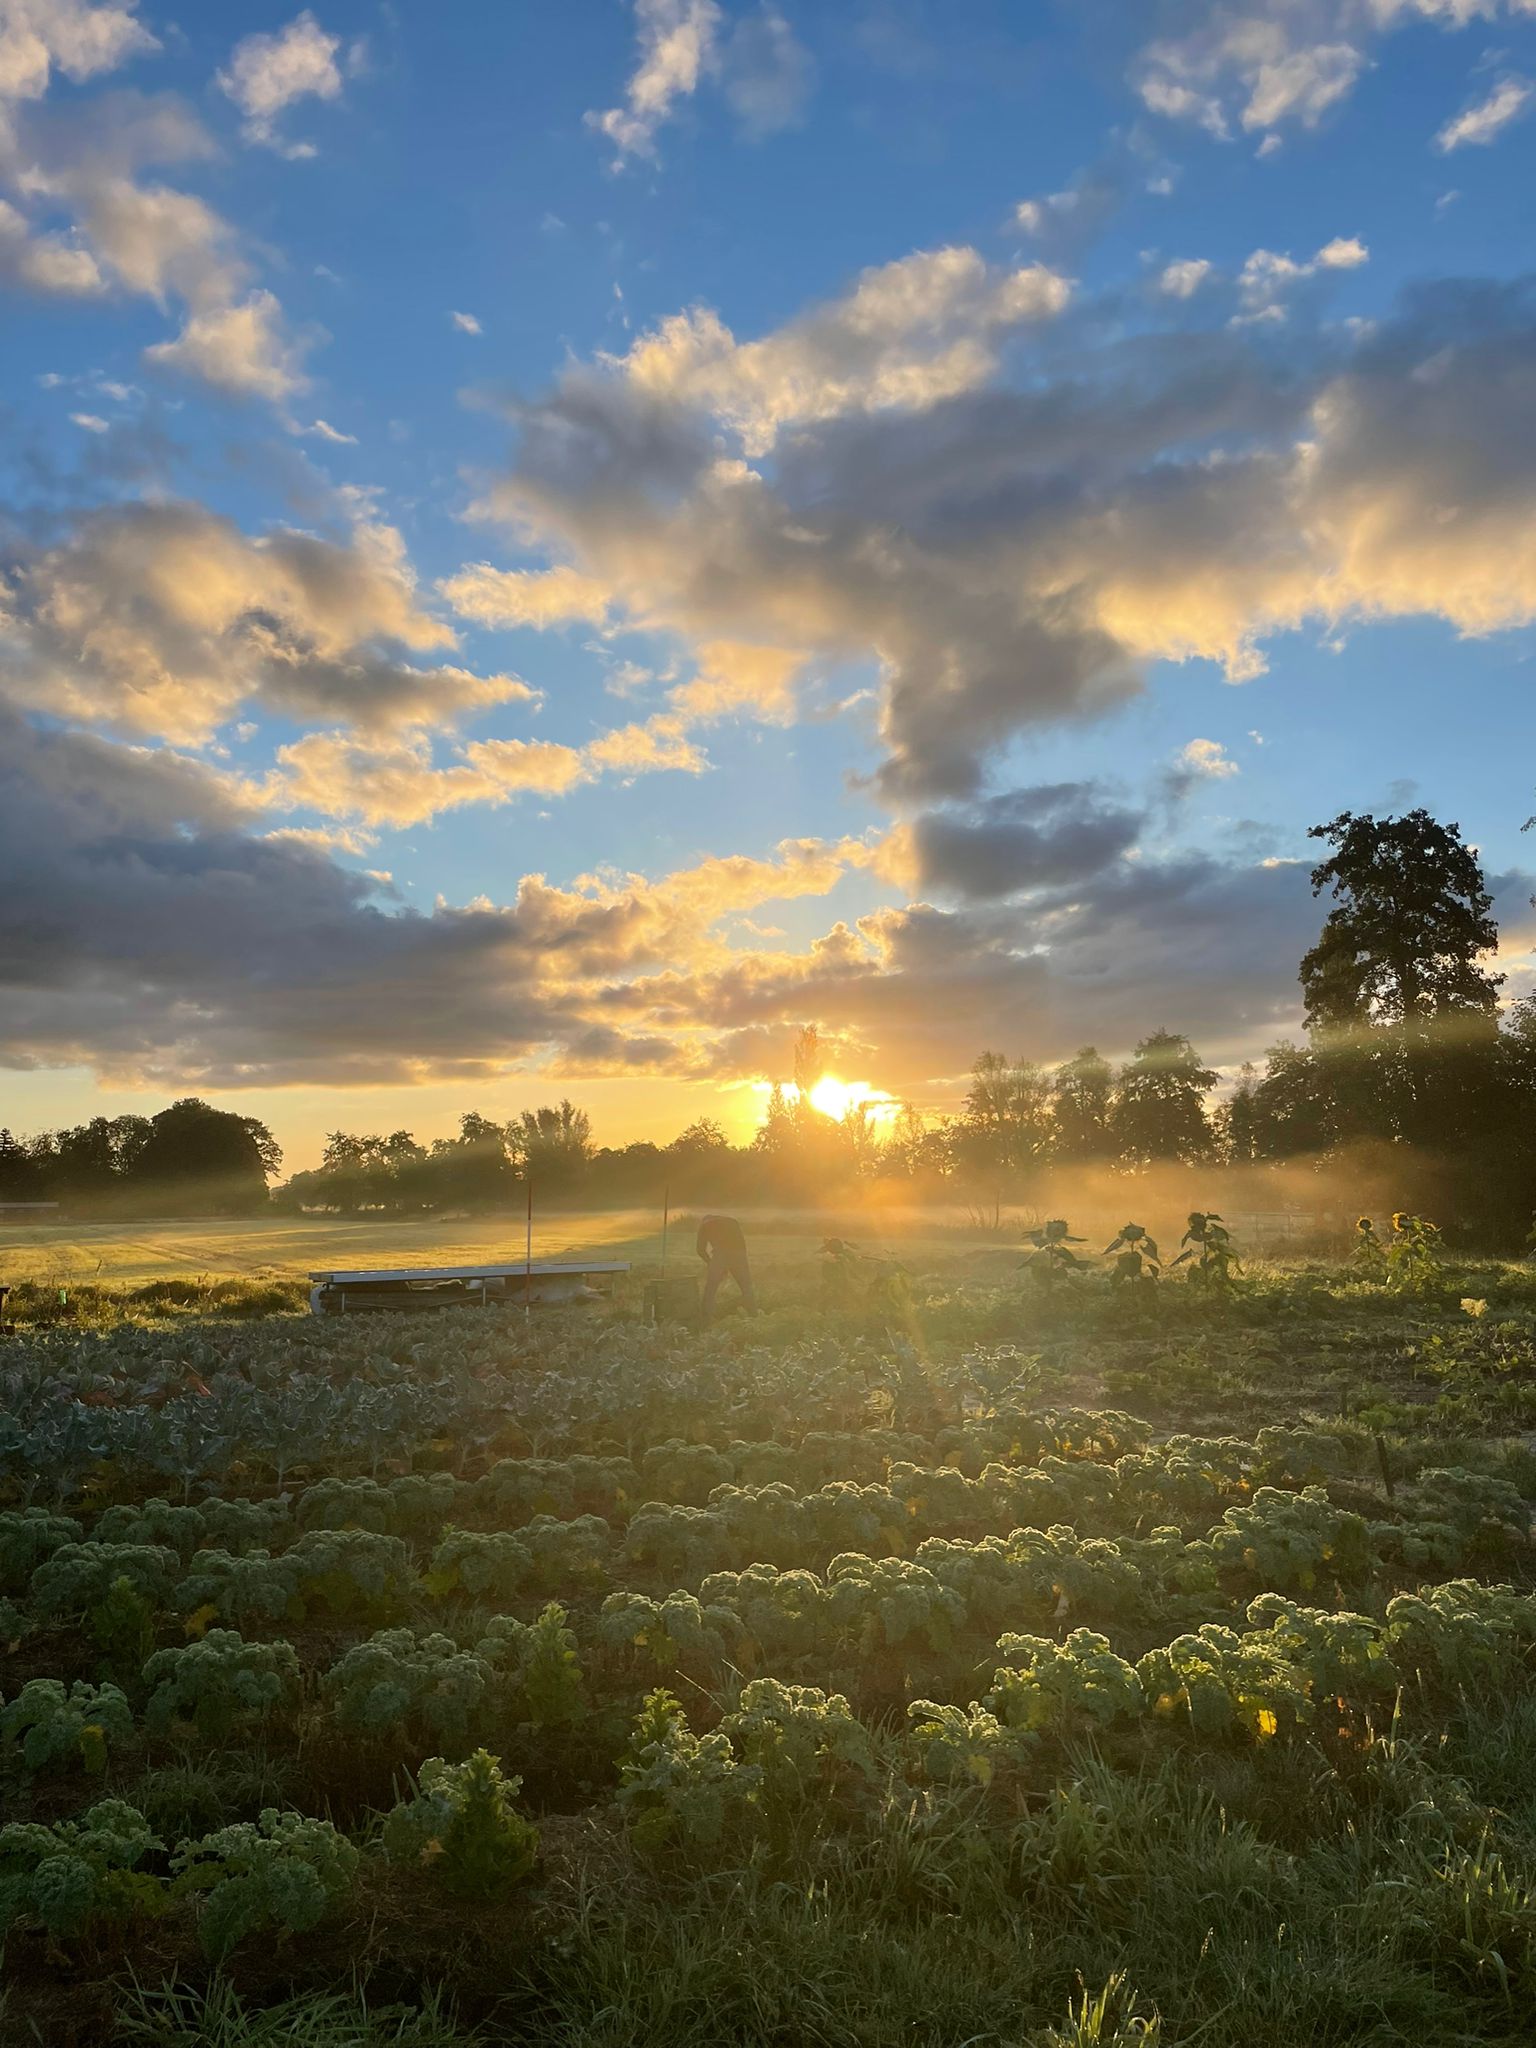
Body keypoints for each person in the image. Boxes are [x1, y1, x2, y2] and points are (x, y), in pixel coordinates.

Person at [696, 1212, 756, 1316]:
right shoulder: (732, 1221)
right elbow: (741, 1241)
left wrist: (710, 1263)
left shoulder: (704, 1225)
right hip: (740, 1252)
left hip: (721, 1254)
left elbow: (700, 1250)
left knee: (711, 1288)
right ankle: (753, 1314)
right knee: (746, 1287)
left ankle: (705, 1316)